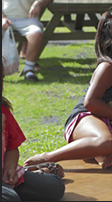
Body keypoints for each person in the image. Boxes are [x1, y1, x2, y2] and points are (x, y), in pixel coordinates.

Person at [24, 11, 112, 170]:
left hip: (108, 128)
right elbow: (90, 103)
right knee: (106, 141)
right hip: (84, 119)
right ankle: (48, 157)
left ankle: (107, 155)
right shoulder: (107, 68)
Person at [2, 62, 65, 201]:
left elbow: (12, 148)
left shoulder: (3, 109)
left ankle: (26, 176)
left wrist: (10, 167)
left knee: (55, 187)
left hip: (4, 177)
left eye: (1, 79)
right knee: (10, 198)